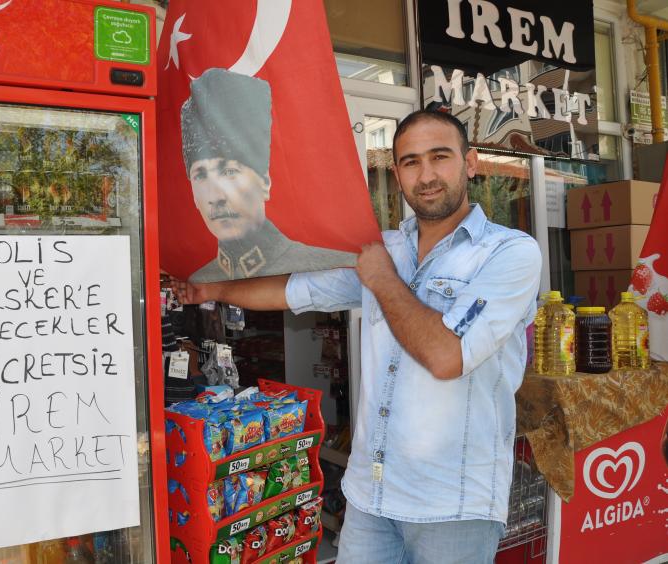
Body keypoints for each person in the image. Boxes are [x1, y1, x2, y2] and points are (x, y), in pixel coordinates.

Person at [174, 109, 542, 563]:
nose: (426, 175)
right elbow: (294, 289)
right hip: (372, 496)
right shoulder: (384, 248)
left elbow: (448, 356)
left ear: (470, 163)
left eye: (440, 157)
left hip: (454, 504)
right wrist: (209, 287)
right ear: (397, 174)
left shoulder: (510, 253)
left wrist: (383, 279)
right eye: (410, 162)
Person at [181, 68, 356, 282]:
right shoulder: (201, 279)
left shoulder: (332, 266)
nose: (215, 196)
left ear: (265, 181)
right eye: (200, 175)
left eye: (229, 171)